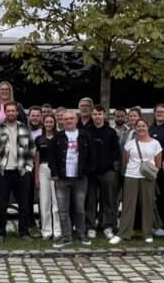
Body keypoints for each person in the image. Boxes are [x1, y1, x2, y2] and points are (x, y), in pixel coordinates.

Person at [0, 101, 36, 243]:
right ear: (5, 113)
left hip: (21, 171)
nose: (10, 113)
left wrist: (28, 168)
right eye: (8, 111)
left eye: (13, 111)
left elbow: (31, 149)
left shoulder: (24, 128)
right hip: (3, 172)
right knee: (1, 204)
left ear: (17, 112)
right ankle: (1, 233)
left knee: (23, 204)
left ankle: (24, 232)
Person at [110, 119, 162, 245]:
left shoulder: (155, 143)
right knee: (128, 205)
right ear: (135, 128)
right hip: (131, 176)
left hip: (147, 177)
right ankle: (123, 233)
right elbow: (126, 161)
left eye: (143, 126)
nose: (141, 128)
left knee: (147, 205)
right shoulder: (130, 144)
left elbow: (158, 163)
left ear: (147, 127)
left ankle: (147, 233)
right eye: (138, 126)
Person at [49, 109, 95, 248]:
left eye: (71, 118)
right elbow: (51, 157)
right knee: (63, 210)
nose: (68, 121)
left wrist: (85, 171)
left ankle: (81, 234)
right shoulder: (57, 137)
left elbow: (92, 156)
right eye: (65, 119)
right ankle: (66, 237)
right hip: (62, 178)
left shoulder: (85, 136)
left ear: (76, 120)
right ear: (62, 121)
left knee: (80, 208)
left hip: (80, 178)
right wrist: (55, 172)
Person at [86, 105, 120, 239]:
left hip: (107, 171)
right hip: (91, 172)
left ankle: (106, 226)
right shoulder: (87, 131)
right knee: (91, 200)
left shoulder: (111, 132)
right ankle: (90, 226)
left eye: (99, 114)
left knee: (108, 200)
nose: (97, 116)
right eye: (95, 114)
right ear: (92, 115)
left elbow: (115, 152)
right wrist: (90, 167)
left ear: (104, 115)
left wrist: (106, 165)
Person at [35, 114, 61, 240]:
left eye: (51, 122)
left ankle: (57, 230)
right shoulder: (39, 139)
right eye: (47, 122)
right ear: (43, 123)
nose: (49, 124)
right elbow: (37, 158)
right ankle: (46, 231)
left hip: (56, 170)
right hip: (43, 169)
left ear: (55, 123)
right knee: (44, 202)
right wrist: (36, 178)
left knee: (56, 202)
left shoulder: (59, 137)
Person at [149, 103, 164, 236]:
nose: (159, 114)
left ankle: (163, 226)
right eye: (157, 112)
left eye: (162, 112)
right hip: (152, 169)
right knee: (155, 199)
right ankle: (155, 224)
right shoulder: (151, 128)